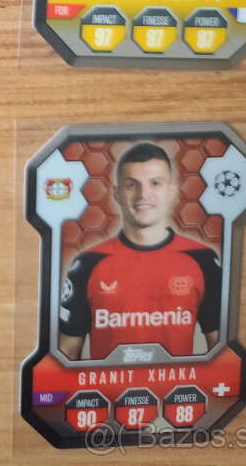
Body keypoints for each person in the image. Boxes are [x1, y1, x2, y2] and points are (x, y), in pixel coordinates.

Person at [58, 142, 222, 361]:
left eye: (155, 183)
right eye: (131, 184)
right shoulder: (87, 264)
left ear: (171, 191)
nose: (143, 194)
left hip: (175, 385)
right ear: (116, 193)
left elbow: (220, 351)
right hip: (110, 385)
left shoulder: (203, 259)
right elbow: (67, 352)